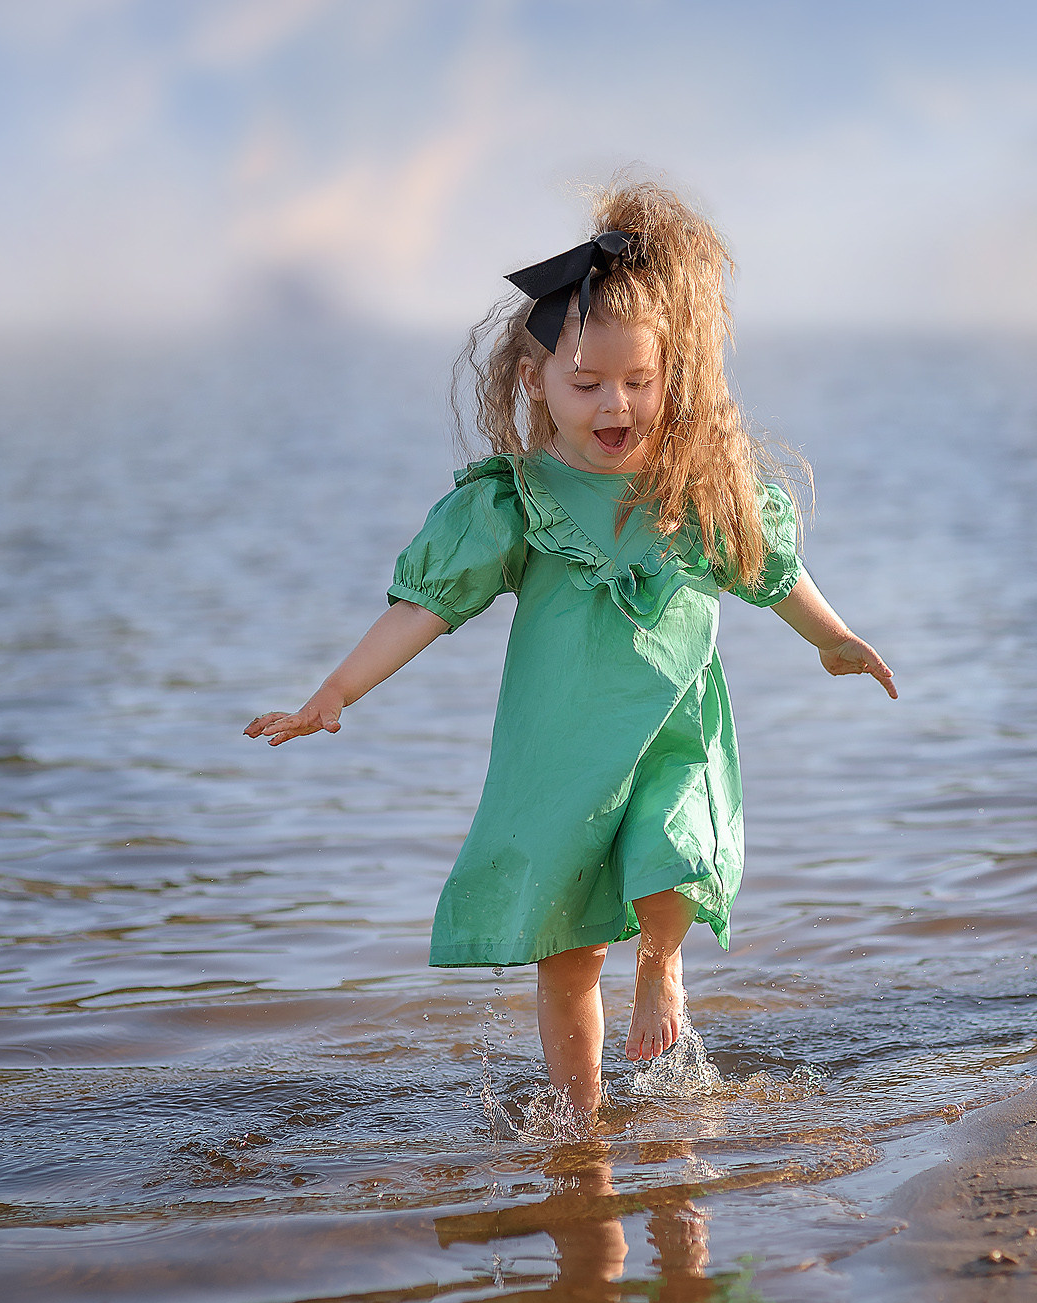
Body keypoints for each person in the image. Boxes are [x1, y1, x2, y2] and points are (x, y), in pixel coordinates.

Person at [246, 176, 895, 1122]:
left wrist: (833, 638)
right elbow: (423, 609)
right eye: (586, 384)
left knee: (674, 850)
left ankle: (663, 971)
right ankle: (578, 1123)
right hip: (562, 754)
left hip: (673, 726)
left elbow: (769, 570)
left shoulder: (694, 486)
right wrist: (336, 690)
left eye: (639, 381)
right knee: (571, 950)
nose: (614, 404)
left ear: (672, 377)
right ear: (534, 380)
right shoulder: (515, 503)